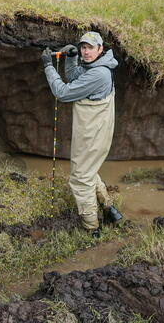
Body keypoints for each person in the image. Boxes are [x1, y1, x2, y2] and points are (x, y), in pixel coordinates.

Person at [41, 31, 123, 237]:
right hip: (95, 132)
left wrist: (48, 67)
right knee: (88, 171)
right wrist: (71, 58)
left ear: (100, 49)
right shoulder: (98, 67)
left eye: (90, 48)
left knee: (80, 179)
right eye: (83, 47)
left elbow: (64, 92)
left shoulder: (99, 74)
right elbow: (77, 78)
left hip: (92, 135)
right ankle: (110, 210)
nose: (86, 52)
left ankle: (91, 229)